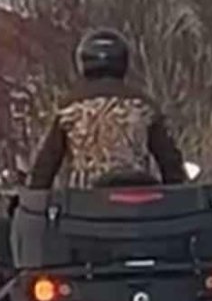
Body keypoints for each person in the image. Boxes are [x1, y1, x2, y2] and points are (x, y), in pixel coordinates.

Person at [27, 28, 187, 189]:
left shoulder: (69, 107)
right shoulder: (143, 105)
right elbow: (170, 163)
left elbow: (45, 166)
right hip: (139, 205)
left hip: (85, 205)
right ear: (123, 62)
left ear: (83, 63)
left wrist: (32, 198)